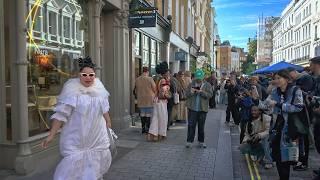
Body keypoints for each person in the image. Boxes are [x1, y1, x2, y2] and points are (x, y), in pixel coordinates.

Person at [41, 57, 113, 180]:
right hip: (77, 137)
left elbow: (104, 109)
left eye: (91, 75)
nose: (88, 77)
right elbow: (60, 115)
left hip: (96, 136)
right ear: (79, 75)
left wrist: (108, 121)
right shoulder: (71, 91)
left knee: (94, 167)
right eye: (84, 75)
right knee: (73, 168)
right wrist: (51, 135)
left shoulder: (99, 89)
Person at [259, 69, 304, 180]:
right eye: (275, 78)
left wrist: (280, 105)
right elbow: (265, 106)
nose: (277, 80)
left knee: (287, 160)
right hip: (276, 129)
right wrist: (256, 99)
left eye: (279, 78)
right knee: (278, 158)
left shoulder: (295, 90)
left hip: (289, 129)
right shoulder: (275, 91)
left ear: (287, 79)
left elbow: (298, 107)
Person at [185, 69, 213, 148]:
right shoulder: (191, 84)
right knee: (191, 126)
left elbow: (210, 95)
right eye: (197, 78)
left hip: (202, 109)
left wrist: (201, 92)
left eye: (200, 78)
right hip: (192, 108)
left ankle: (201, 141)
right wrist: (191, 92)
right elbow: (186, 94)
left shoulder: (207, 85)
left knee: (201, 126)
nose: (198, 80)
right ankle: (189, 141)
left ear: (203, 77)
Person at [148, 62, 171, 141]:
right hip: (161, 101)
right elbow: (163, 92)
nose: (168, 73)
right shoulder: (163, 80)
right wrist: (168, 96)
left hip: (156, 100)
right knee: (163, 118)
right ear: (165, 72)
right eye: (167, 72)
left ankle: (152, 135)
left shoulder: (156, 78)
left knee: (155, 117)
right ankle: (160, 134)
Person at [134, 67, 157, 134]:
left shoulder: (137, 79)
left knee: (142, 114)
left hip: (140, 98)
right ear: (147, 72)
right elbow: (154, 89)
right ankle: (147, 128)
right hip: (149, 99)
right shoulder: (150, 79)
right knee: (148, 114)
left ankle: (143, 128)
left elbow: (135, 89)